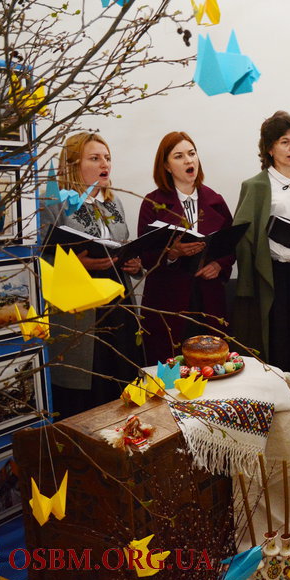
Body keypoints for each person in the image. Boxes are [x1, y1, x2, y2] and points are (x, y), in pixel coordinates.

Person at [41, 132, 144, 419]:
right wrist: (77, 263)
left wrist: (135, 265)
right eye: (95, 158)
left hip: (119, 304)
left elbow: (123, 245)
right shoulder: (54, 204)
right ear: (73, 164)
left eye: (107, 158)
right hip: (82, 310)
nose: (104, 164)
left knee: (122, 379)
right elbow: (40, 258)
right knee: (89, 389)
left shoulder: (114, 202)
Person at [231, 111, 290, 406]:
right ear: (270, 148)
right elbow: (249, 237)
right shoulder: (257, 185)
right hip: (275, 277)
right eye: (284, 141)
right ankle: (282, 415)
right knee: (280, 344)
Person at [137, 131, 234, 364]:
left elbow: (231, 244)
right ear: (166, 166)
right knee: (172, 369)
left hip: (208, 298)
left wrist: (218, 265)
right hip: (168, 301)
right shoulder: (153, 203)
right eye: (179, 156)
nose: (188, 160)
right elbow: (145, 255)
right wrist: (172, 254)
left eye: (192, 154)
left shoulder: (215, 200)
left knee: (211, 366)